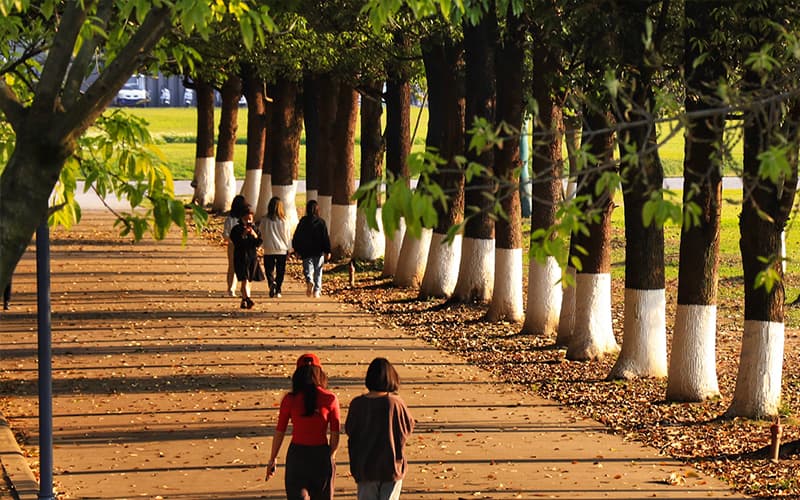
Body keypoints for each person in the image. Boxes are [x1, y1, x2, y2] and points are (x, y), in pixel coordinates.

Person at [266, 353, 340, 499]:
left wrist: (273, 458)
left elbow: (280, 431)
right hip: (321, 455)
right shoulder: (330, 399)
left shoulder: (289, 400)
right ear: (320, 374)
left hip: (297, 456)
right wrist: (330, 457)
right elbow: (335, 434)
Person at [345, 358, 414, 500]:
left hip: (365, 466)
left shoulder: (358, 404)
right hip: (391, 464)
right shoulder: (395, 403)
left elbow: (350, 429)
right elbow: (407, 428)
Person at [292, 200, 331, 298]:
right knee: (318, 271)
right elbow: (325, 237)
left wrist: (296, 249)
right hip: (318, 251)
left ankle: (309, 280)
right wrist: (328, 250)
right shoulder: (321, 222)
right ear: (317, 210)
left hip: (306, 250)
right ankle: (317, 291)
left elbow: (297, 235)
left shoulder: (303, 221)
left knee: (307, 269)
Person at [229, 207, 263, 309]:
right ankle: (247, 299)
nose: (248, 222)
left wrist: (254, 235)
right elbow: (236, 242)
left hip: (252, 257)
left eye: (250, 219)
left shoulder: (255, 229)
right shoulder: (236, 229)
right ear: (242, 218)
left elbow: (259, 242)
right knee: (244, 279)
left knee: (249, 280)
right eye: (246, 219)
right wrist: (243, 235)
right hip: (241, 257)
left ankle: (244, 300)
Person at [260, 196, 291, 298]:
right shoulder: (284, 221)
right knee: (280, 271)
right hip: (281, 249)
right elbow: (287, 236)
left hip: (268, 248)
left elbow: (262, 233)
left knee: (269, 269)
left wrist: (261, 245)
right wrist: (289, 249)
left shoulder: (264, 220)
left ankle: (271, 283)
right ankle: (278, 289)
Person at [223, 195, 249, 297]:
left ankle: (231, 288)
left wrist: (232, 240)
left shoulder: (230, 219)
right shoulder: (246, 218)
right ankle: (244, 289)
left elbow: (225, 234)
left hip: (232, 245)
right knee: (244, 267)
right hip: (244, 245)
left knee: (232, 267)